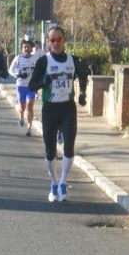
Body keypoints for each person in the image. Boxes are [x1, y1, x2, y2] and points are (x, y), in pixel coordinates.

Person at [28, 26, 88, 202]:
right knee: (50, 151)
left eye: (58, 39)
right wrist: (43, 82)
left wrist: (82, 93)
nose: (55, 43)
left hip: (68, 108)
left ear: (64, 40)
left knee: (69, 146)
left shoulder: (73, 60)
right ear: (48, 42)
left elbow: (82, 75)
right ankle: (53, 182)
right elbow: (32, 85)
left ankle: (63, 182)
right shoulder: (43, 61)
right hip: (50, 109)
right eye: (52, 40)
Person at [9, 39, 37, 136]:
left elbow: (39, 70)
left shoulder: (35, 58)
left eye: (28, 47)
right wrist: (19, 75)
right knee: (22, 106)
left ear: (31, 48)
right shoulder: (18, 59)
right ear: (21, 49)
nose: (26, 49)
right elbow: (11, 71)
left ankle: (29, 128)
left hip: (31, 86)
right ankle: (21, 116)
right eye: (25, 47)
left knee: (30, 105)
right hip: (21, 85)